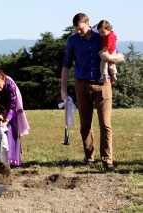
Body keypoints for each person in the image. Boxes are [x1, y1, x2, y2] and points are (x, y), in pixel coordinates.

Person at [60, 13, 124, 171]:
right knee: (85, 124)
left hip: (103, 85)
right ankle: (89, 158)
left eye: (81, 29)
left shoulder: (102, 35)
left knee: (105, 124)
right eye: (76, 30)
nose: (79, 32)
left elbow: (120, 55)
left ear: (88, 24)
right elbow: (66, 65)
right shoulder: (72, 40)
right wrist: (63, 88)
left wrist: (111, 59)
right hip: (82, 84)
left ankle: (107, 160)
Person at [0, 69, 30, 167]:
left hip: (8, 111)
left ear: (4, 79)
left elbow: (12, 105)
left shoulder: (10, 85)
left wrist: (6, 120)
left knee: (9, 132)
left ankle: (10, 160)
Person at [97, 20, 118, 84]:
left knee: (103, 64)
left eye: (103, 32)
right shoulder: (112, 34)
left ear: (109, 29)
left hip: (107, 52)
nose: (101, 34)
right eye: (100, 33)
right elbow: (116, 38)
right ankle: (114, 75)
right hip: (113, 51)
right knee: (111, 64)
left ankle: (105, 78)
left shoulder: (108, 36)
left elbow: (107, 46)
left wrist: (101, 51)